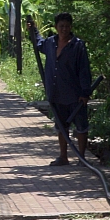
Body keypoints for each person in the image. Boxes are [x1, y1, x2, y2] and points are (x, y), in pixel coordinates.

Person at [27, 13, 93, 166]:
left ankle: (82, 158)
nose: (64, 29)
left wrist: (85, 92)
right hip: (56, 93)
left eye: (67, 26)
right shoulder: (50, 43)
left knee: (81, 127)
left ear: (71, 27)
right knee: (61, 126)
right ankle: (63, 156)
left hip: (75, 95)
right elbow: (39, 43)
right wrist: (33, 30)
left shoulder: (77, 45)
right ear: (56, 27)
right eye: (61, 26)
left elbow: (84, 70)